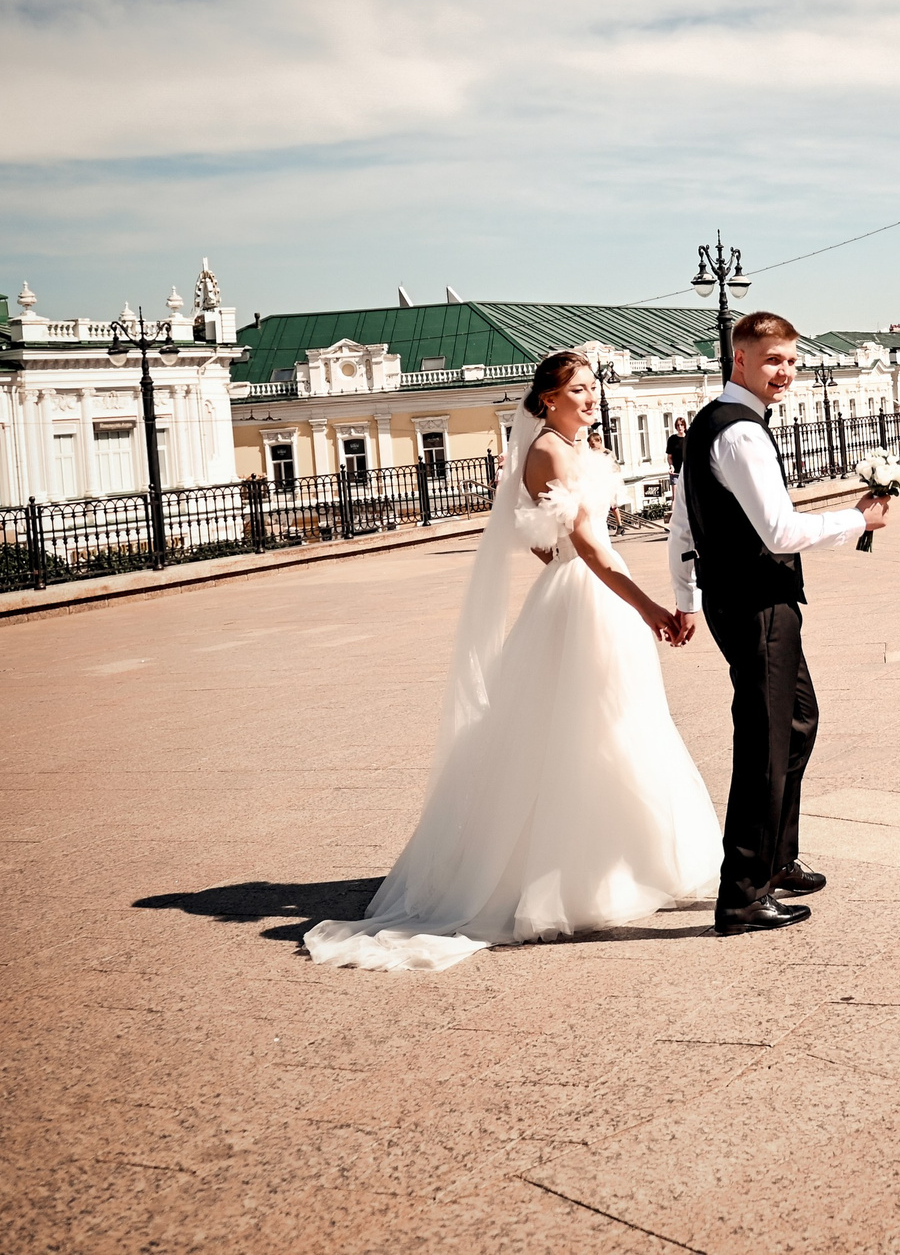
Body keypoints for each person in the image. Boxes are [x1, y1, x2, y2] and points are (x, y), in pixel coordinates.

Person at [303, 349, 719, 971]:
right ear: (547, 398)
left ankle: (626, 856)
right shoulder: (548, 451)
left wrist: (579, 577)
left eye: (592, 387)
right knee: (585, 732)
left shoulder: (576, 448)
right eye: (578, 389)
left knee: (619, 724)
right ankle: (568, 871)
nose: (590, 397)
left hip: (589, 593)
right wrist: (650, 609)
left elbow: (539, 537)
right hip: (592, 597)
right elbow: (583, 544)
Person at [666, 312, 890, 936]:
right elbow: (780, 531)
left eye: (791, 360)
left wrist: (686, 596)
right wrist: (858, 519)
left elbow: (682, 522)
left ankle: (776, 858)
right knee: (765, 744)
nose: (785, 371)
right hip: (757, 604)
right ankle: (741, 896)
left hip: (738, 598)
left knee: (795, 722)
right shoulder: (739, 434)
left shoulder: (710, 423)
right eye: (772, 360)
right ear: (740, 360)